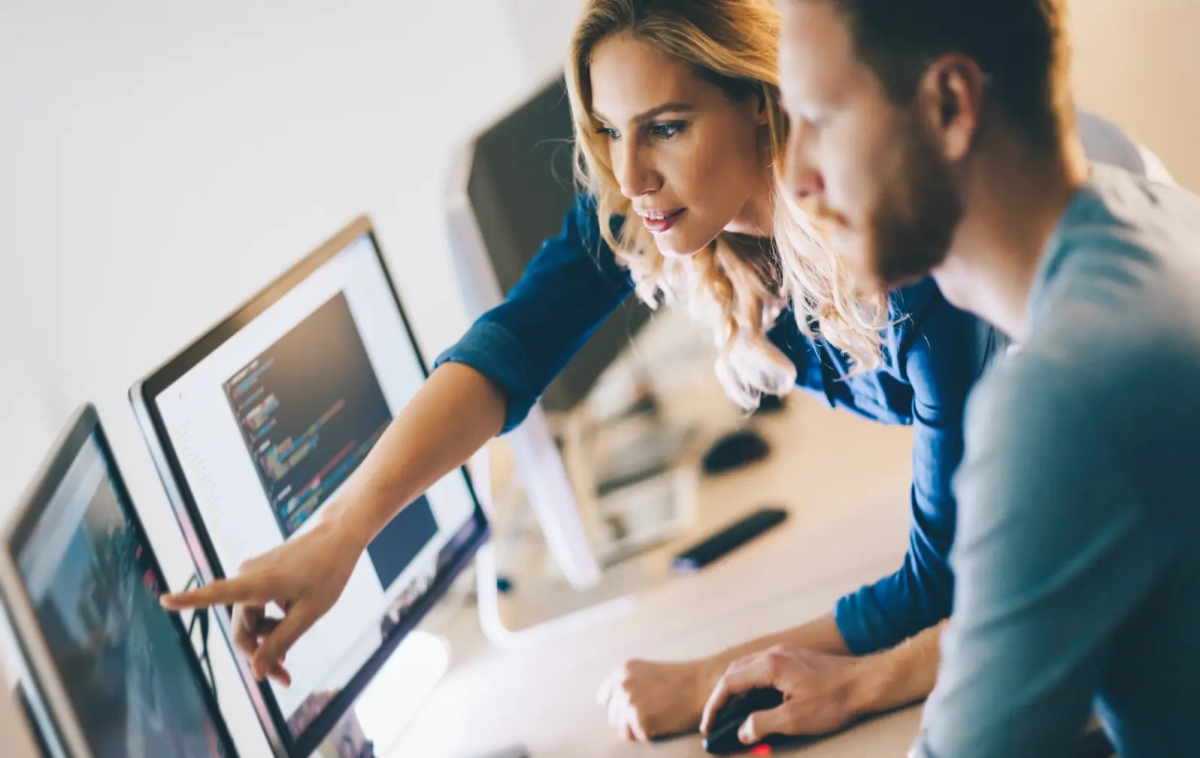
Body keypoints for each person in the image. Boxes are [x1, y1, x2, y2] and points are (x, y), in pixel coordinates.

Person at [159, 0, 1162, 746]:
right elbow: (508, 348)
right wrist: (340, 535)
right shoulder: (677, 205)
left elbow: (955, 581)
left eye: (666, 126)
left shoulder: (916, 243)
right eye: (607, 130)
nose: (630, 176)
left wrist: (718, 679)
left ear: (762, 103)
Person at [701, 1, 1200, 756]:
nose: (795, 179)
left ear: (949, 106)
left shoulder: (1063, 394)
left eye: (820, 119)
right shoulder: (1153, 216)